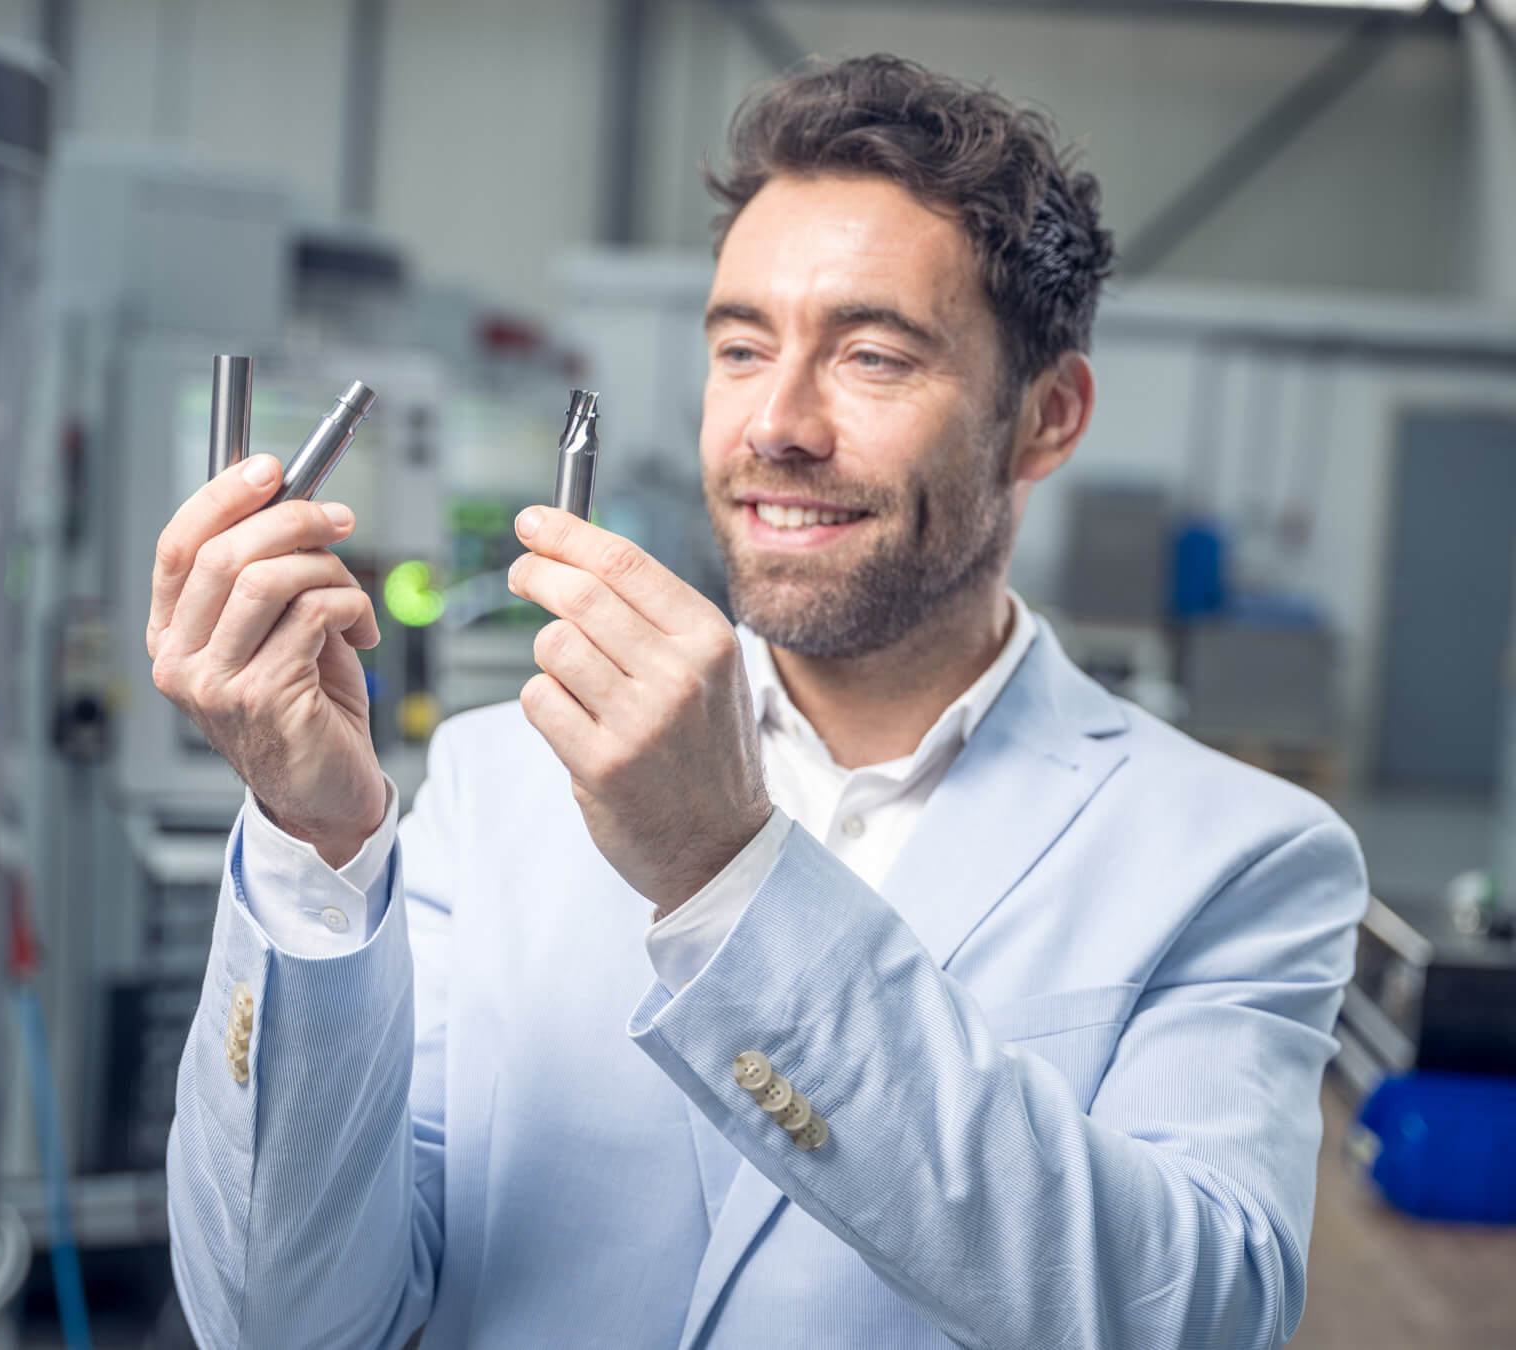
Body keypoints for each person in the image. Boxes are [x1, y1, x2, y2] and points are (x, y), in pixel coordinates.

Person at [149, 55, 1366, 1350]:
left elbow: (1190, 1315)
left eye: (874, 355)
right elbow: (284, 1324)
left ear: (1047, 418)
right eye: (741, 346)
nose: (775, 424)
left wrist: (729, 875)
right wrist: (317, 844)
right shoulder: (498, 782)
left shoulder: (1238, 856)